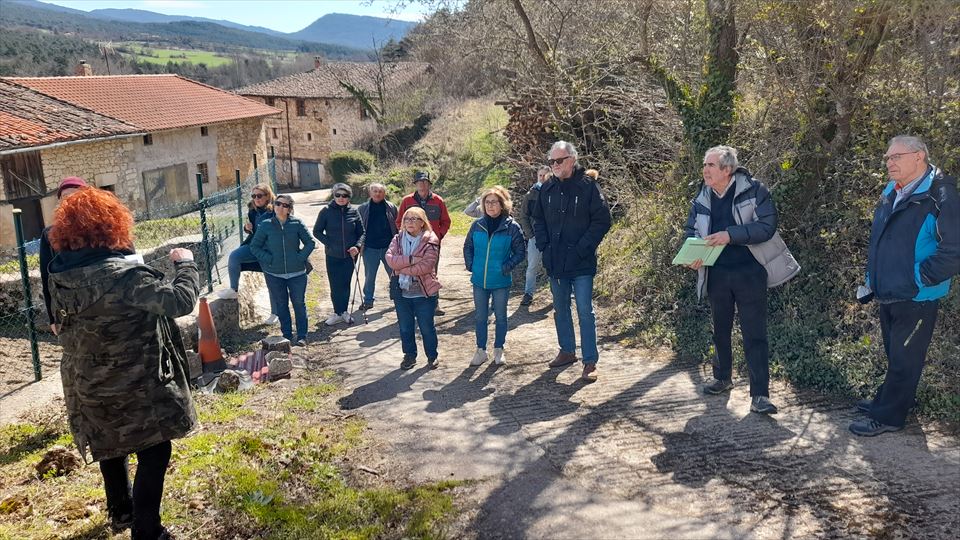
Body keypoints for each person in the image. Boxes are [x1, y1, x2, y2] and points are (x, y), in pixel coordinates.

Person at [47, 188, 199, 540]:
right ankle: (147, 531)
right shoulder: (127, 277)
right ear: (112, 228)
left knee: (109, 444)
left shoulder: (61, 279)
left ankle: (121, 512)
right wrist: (186, 265)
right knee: (155, 449)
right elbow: (178, 301)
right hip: (136, 383)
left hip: (89, 383)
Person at [850, 135, 959, 436]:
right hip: (890, 290)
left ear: (919, 157)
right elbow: (881, 240)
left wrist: (916, 278)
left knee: (905, 356)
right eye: (887, 158)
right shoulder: (892, 189)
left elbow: (953, 251)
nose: (889, 163)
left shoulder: (941, 195)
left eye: (896, 157)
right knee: (895, 352)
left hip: (917, 294)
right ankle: (894, 400)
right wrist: (874, 278)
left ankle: (888, 417)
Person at [684, 145, 800, 415]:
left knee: (754, 333)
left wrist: (730, 235)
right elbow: (691, 230)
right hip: (717, 273)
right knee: (720, 329)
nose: (705, 170)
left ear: (727, 169)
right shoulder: (701, 196)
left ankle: (760, 394)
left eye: (711, 165)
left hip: (750, 272)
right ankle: (722, 378)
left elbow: (766, 226)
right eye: (705, 165)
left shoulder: (755, 190)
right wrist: (691, 254)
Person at [532, 141, 612, 382]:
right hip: (555, 262)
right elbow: (538, 220)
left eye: (559, 161)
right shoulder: (546, 189)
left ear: (572, 160)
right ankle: (567, 351)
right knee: (560, 309)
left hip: (582, 262)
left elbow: (602, 220)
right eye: (551, 162)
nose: (554, 165)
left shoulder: (588, 187)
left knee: (585, 311)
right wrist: (544, 247)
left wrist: (582, 248)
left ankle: (590, 361)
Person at [464, 186, 526, 366]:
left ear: (502, 204)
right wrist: (471, 265)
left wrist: (505, 267)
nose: (490, 206)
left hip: (500, 281)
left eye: (494, 202)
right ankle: (480, 350)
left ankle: (499, 348)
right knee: (480, 317)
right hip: (479, 281)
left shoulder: (512, 227)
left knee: (501, 317)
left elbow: (520, 251)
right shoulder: (477, 225)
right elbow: (468, 247)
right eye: (487, 202)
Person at [250, 194, 316, 346]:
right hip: (274, 274)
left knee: (299, 303)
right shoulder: (266, 225)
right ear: (274, 205)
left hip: (297, 273)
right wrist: (269, 259)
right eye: (278, 203)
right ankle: (286, 334)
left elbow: (310, 243)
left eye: (285, 205)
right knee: (281, 304)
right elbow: (255, 246)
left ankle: (301, 336)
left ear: (289, 209)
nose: (280, 207)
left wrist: (300, 258)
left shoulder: (297, 223)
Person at [386, 206, 442, 370]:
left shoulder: (431, 240)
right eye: (407, 219)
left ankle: (432, 356)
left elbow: (426, 266)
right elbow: (390, 259)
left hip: (424, 292)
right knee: (405, 327)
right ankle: (409, 356)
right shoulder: (397, 239)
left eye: (414, 218)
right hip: (402, 293)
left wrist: (401, 266)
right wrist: (411, 259)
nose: (409, 222)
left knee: (426, 327)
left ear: (422, 222)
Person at [40, 176, 94, 335]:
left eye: (76, 195)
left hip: (104, 304)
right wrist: (52, 318)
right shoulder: (50, 234)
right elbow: (46, 277)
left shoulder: (103, 228)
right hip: (70, 311)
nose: (70, 200)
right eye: (65, 197)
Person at [396, 171, 451, 315]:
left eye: (425, 181)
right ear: (415, 184)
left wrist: (437, 237)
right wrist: (405, 237)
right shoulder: (407, 201)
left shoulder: (438, 200)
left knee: (431, 273)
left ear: (429, 184)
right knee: (409, 272)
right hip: (409, 245)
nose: (422, 184)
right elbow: (399, 221)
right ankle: (409, 304)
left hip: (430, 246)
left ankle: (434, 304)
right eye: (419, 182)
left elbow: (446, 222)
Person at [224, 183, 279, 324]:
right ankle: (233, 289)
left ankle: (275, 313)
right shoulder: (253, 210)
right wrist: (247, 228)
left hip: (270, 250)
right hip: (254, 246)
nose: (256, 199)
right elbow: (253, 229)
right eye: (254, 196)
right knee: (234, 256)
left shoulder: (276, 209)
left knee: (271, 281)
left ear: (267, 196)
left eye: (259, 196)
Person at [313, 183, 364, 325]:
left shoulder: (354, 212)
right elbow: (317, 231)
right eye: (338, 195)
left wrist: (357, 246)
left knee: (345, 284)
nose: (341, 198)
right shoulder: (326, 211)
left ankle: (344, 312)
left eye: (345, 195)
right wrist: (329, 243)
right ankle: (337, 313)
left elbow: (362, 233)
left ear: (349, 197)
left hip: (350, 256)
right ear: (334, 196)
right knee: (335, 285)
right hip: (332, 255)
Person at [357, 183, 398, 311]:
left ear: (384, 193)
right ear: (370, 193)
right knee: (370, 276)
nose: (377, 193)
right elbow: (357, 228)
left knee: (394, 274)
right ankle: (368, 300)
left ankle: (398, 298)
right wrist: (359, 244)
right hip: (370, 248)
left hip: (389, 247)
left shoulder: (391, 207)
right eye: (375, 191)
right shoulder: (362, 208)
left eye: (380, 191)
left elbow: (397, 225)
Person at [516, 166, 551, 306]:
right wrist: (530, 234)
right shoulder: (531, 194)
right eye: (540, 175)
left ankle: (558, 295)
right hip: (535, 237)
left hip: (553, 238)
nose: (542, 178)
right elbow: (523, 216)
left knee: (553, 266)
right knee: (532, 267)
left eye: (544, 175)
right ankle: (528, 293)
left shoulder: (555, 191)